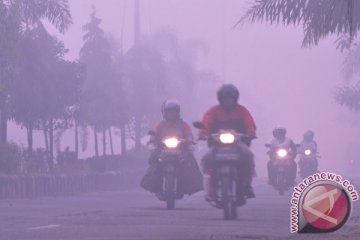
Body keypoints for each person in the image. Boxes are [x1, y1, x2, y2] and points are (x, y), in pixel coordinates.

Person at [198, 84, 257, 200]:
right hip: (217, 144)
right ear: (220, 99)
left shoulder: (242, 111)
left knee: (249, 155)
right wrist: (203, 133)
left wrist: (251, 133)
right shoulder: (213, 111)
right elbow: (206, 123)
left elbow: (250, 123)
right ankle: (210, 186)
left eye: (230, 98)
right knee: (206, 158)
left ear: (235, 99)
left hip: (238, 144)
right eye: (225, 98)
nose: (228, 101)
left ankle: (247, 184)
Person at [141, 100, 203, 198]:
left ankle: (186, 187)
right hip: (162, 149)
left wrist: (189, 140)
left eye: (174, 112)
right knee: (153, 161)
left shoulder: (183, 124)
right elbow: (154, 135)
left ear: (178, 112)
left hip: (181, 149)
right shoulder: (160, 124)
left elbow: (189, 134)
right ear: (165, 113)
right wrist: (153, 140)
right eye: (169, 112)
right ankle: (156, 188)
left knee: (190, 162)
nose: (171, 114)